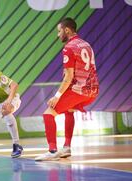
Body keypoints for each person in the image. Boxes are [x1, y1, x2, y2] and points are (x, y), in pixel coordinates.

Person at [35, 17, 99, 161]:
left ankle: (52, 151)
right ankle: (67, 147)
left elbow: (69, 76)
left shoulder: (69, 47)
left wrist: (57, 95)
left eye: (59, 31)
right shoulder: (86, 44)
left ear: (67, 30)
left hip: (79, 90)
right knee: (69, 111)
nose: (58, 35)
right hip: (93, 90)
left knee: (48, 113)